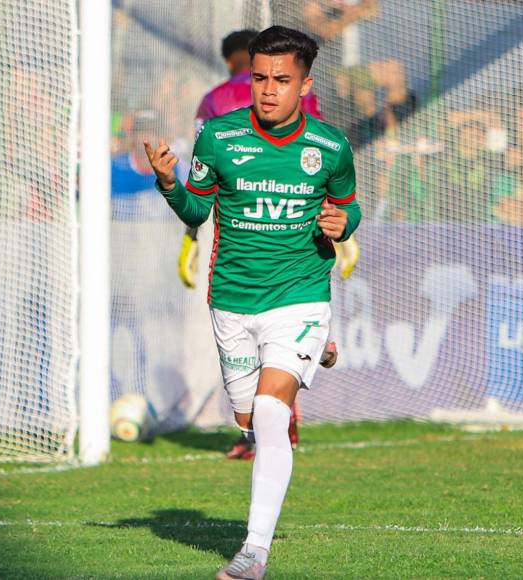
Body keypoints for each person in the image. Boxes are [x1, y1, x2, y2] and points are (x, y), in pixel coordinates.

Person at [143, 26, 361, 580]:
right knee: (247, 421)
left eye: (281, 80)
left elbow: (347, 209)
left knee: (270, 413)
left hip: (299, 293)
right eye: (260, 78)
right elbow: (196, 213)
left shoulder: (330, 146)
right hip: (233, 301)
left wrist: (344, 221)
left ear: (304, 84)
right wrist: (170, 182)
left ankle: (253, 553)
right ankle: (318, 349)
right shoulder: (218, 138)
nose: (267, 90)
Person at [178, 29, 337, 461]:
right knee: (255, 382)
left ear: (228, 58)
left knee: (269, 356)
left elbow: (200, 184)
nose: (268, 89)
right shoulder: (300, 106)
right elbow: (318, 149)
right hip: (300, 217)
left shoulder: (212, 103)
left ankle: (271, 427)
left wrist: (192, 235)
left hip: (239, 228)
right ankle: (276, 411)